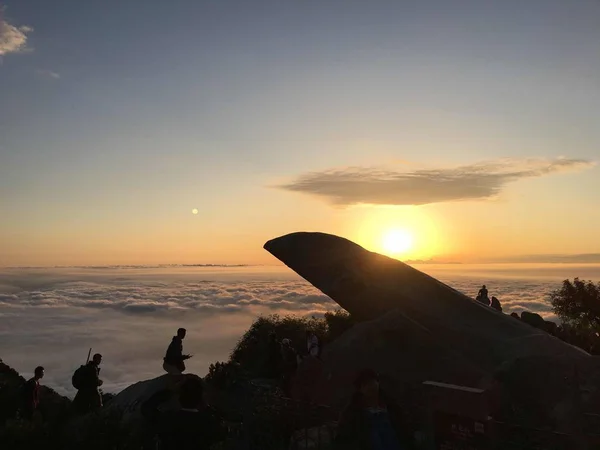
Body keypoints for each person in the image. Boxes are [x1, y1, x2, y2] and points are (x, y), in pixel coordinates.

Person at [141, 377, 227, 450]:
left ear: (179, 397)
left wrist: (169, 391)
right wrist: (207, 407)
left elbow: (146, 408)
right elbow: (222, 432)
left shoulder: (168, 420)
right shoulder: (209, 422)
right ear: (201, 399)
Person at [334, 369, 408, 450]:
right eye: (366, 384)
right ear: (360, 389)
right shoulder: (351, 413)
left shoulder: (393, 408)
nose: (370, 386)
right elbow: (343, 440)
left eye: (372, 382)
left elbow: (405, 433)